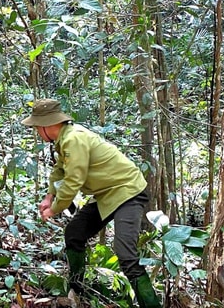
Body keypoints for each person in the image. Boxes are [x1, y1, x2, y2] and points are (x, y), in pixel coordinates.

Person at [21, 99, 161, 308]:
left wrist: (55, 208)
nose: (36, 132)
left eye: (36, 128)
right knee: (74, 233)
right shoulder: (64, 138)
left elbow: (73, 180)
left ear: (46, 125)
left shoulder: (73, 139)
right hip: (107, 194)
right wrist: (49, 196)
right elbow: (60, 170)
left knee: (125, 255)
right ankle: (76, 291)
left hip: (127, 191)